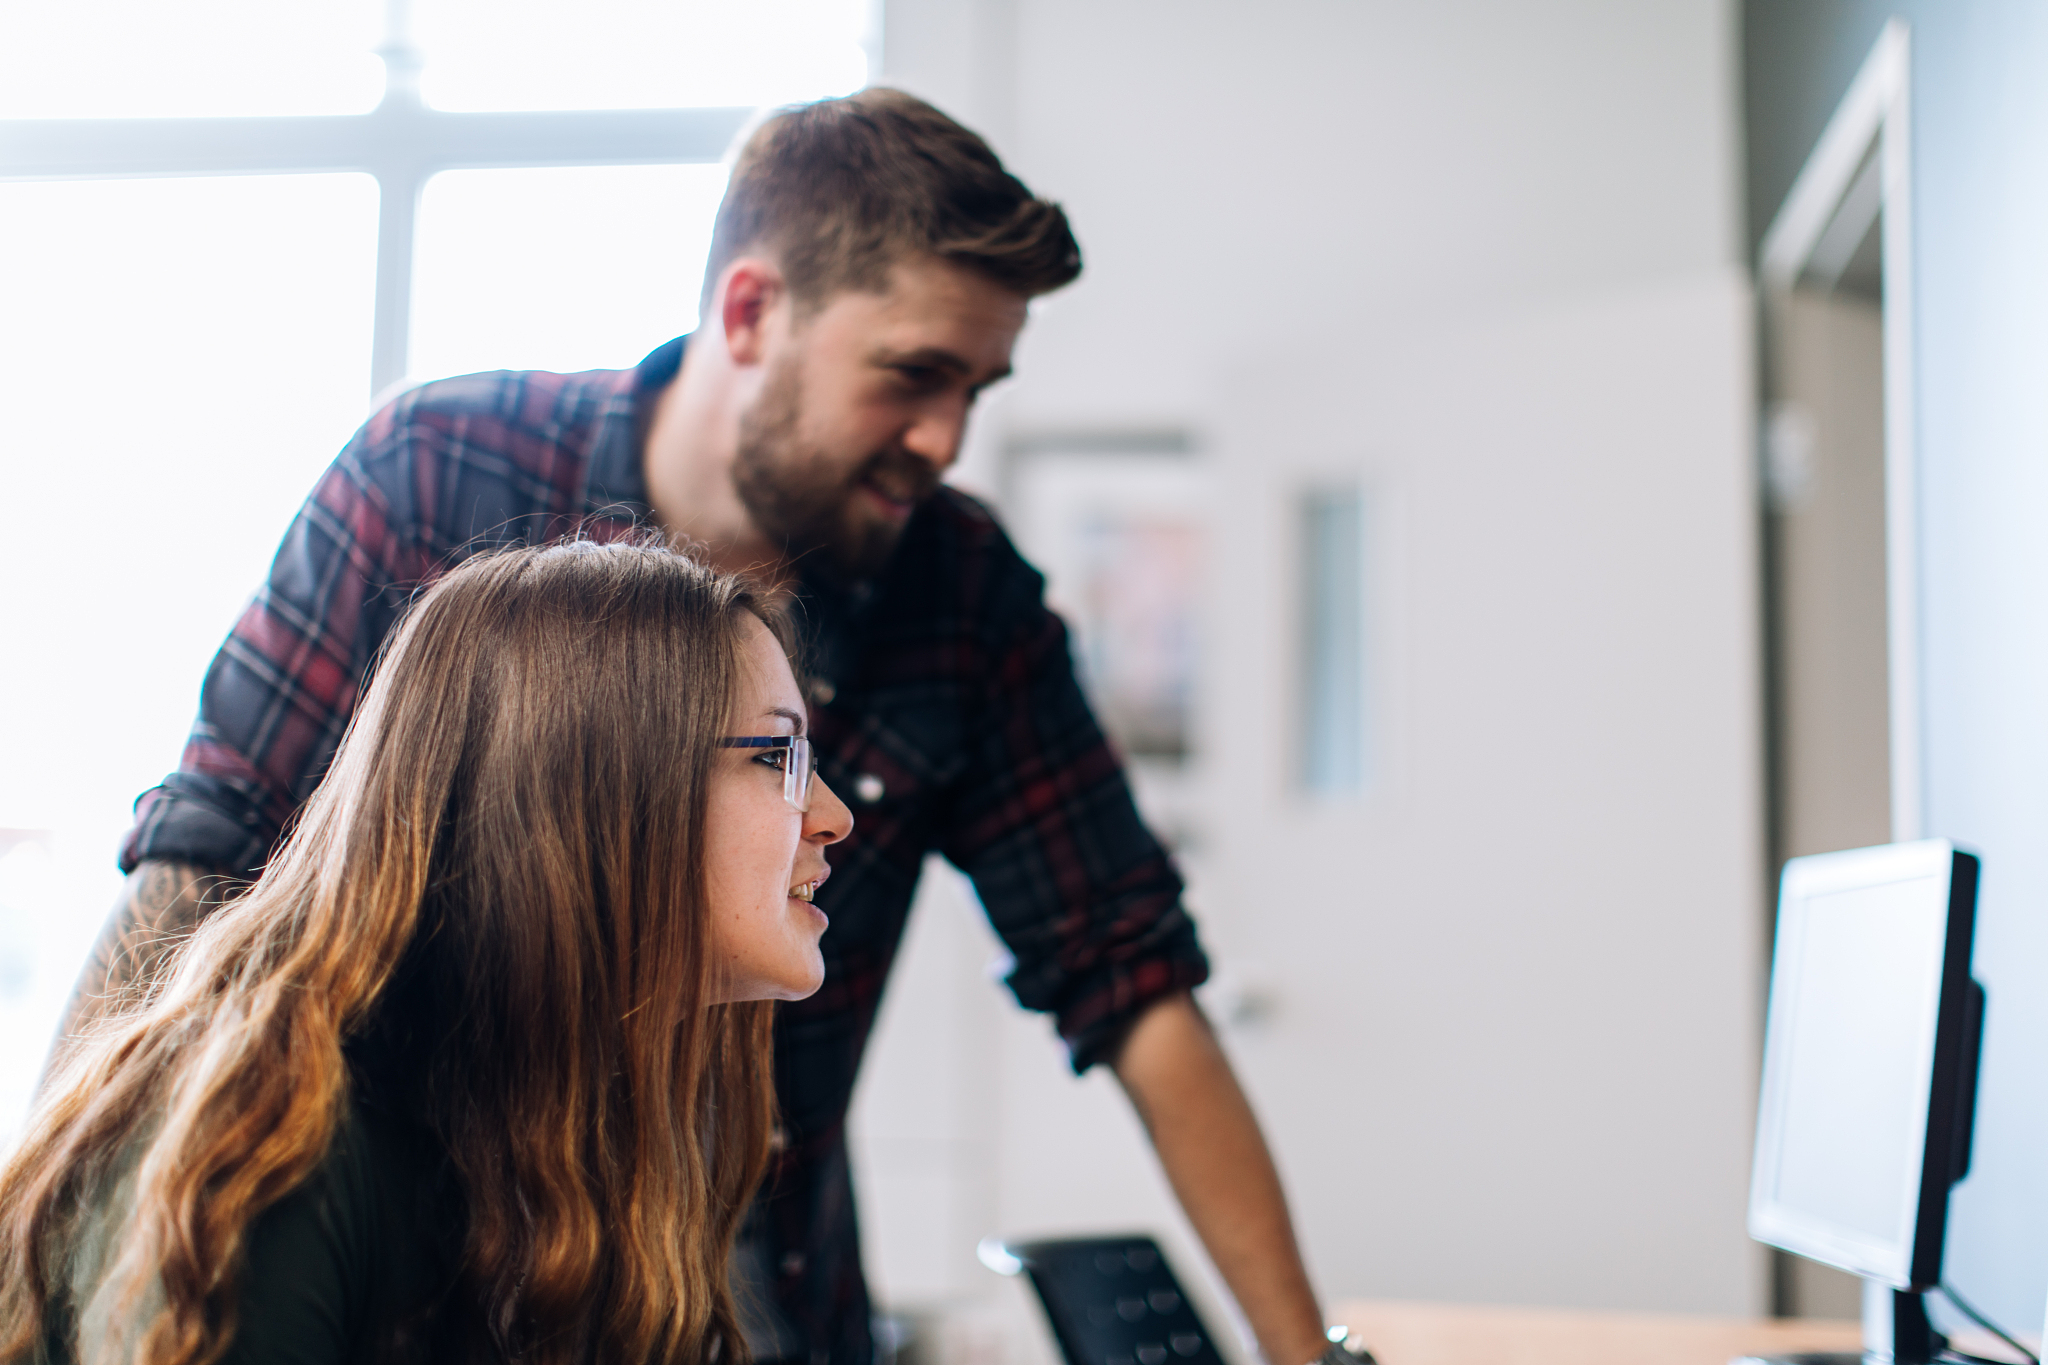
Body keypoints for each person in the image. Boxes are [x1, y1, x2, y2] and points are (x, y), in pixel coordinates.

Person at [70, 88, 1350, 1365]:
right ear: (749, 313)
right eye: (913, 375)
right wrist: (89, 1210)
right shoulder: (438, 476)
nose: (944, 440)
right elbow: (206, 857)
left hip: (740, 1251)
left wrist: (1303, 1353)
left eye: (977, 389)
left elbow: (1127, 969)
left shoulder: (959, 594)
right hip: (455, 1251)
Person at [5, 539, 855, 1364]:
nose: (835, 816)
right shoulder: (274, 1137)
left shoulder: (562, 1126)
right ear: (588, 782)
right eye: (777, 755)